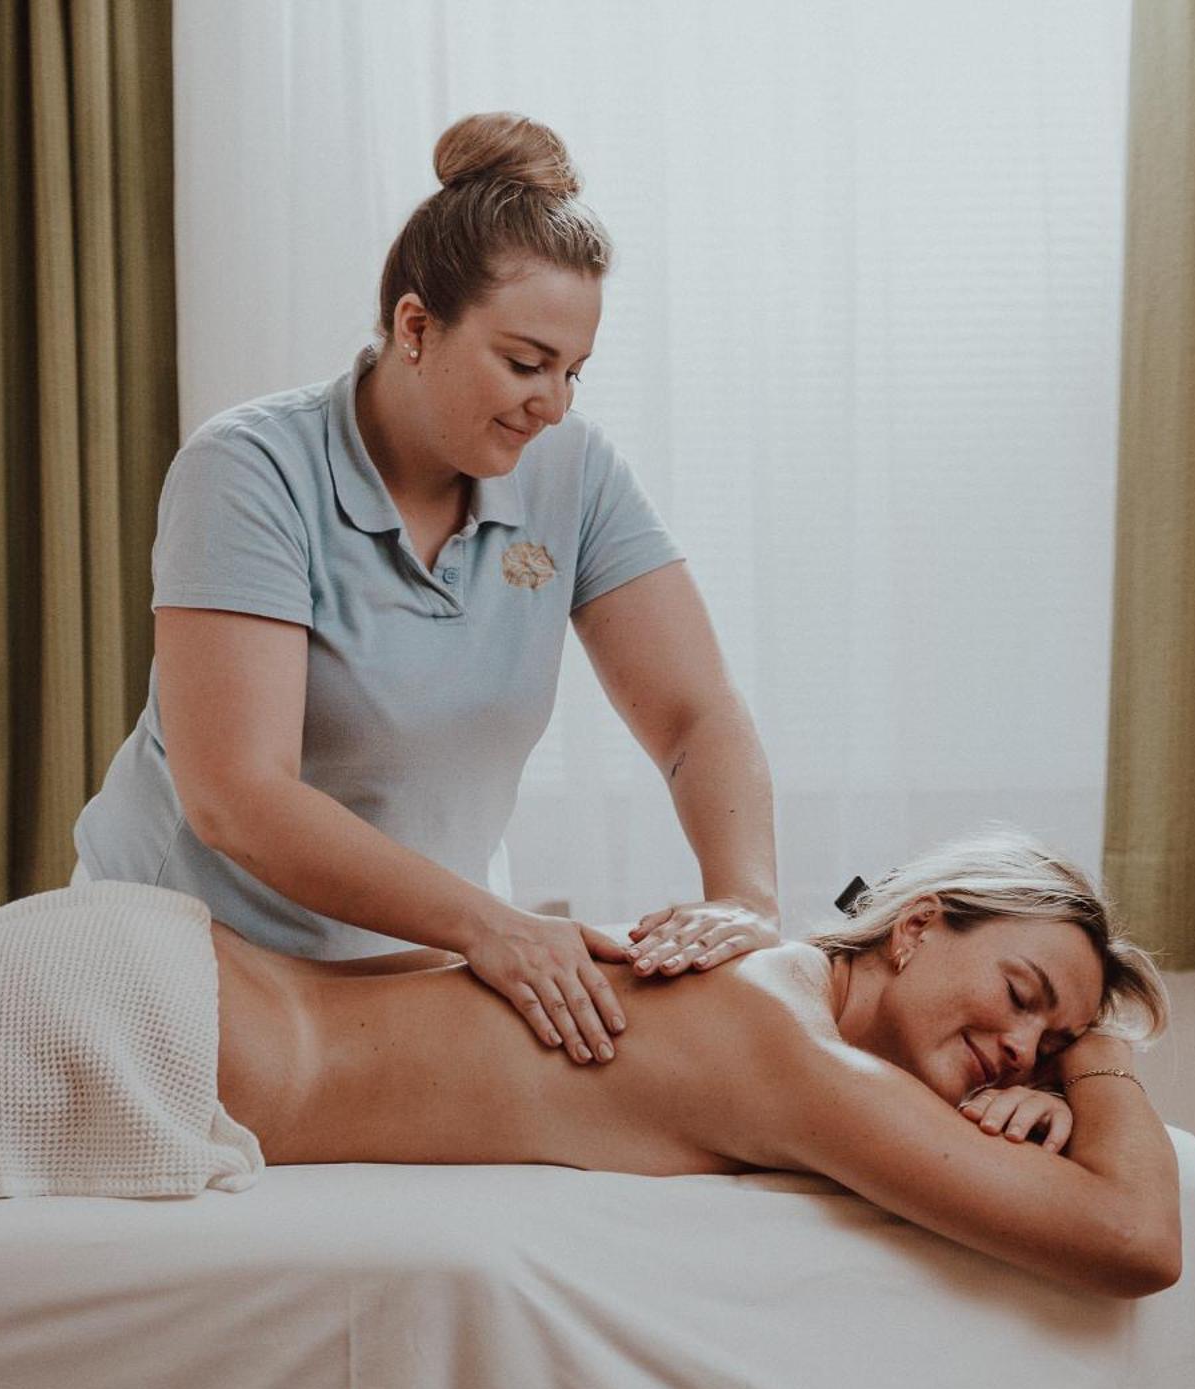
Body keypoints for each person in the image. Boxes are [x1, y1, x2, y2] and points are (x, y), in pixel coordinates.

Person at [0, 829, 1180, 1300]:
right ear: (921, 927)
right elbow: (1130, 1242)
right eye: (1027, 994)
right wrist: (1108, 1058)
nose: (1020, 1043)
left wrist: (1053, 1066)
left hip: (132, 979)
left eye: (1044, 1039)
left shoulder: (751, 971)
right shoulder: (783, 1050)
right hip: (124, 1030)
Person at [73, 111, 779, 1069]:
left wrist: (744, 899)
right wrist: (491, 925)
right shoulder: (249, 470)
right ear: (415, 325)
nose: (553, 403)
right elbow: (236, 795)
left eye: (574, 372)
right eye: (525, 363)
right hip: (192, 960)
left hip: (426, 964)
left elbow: (695, 715)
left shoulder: (569, 470)